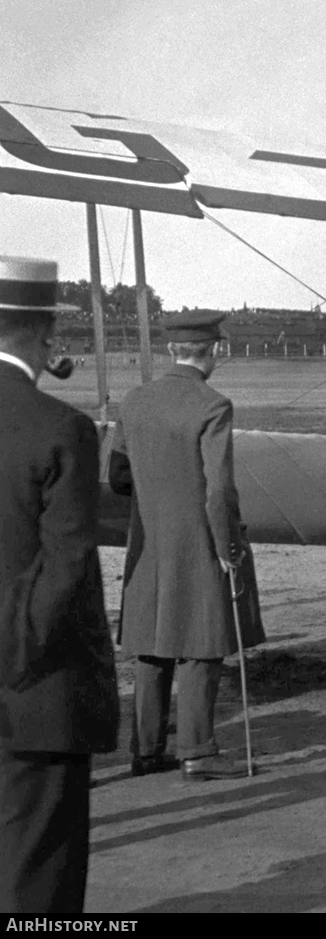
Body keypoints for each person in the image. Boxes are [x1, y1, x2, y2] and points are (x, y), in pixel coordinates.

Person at [0, 256, 118, 913]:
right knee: (39, 871)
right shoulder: (61, 428)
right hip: (36, 691)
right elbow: (66, 568)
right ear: (44, 336)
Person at [110, 310, 265, 781]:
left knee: (153, 648)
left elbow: (117, 477)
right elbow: (219, 492)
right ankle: (199, 753)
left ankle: (147, 751)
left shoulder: (133, 400)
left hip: (147, 542)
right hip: (197, 542)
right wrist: (227, 548)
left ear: (171, 351)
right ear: (214, 350)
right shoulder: (213, 405)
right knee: (202, 647)